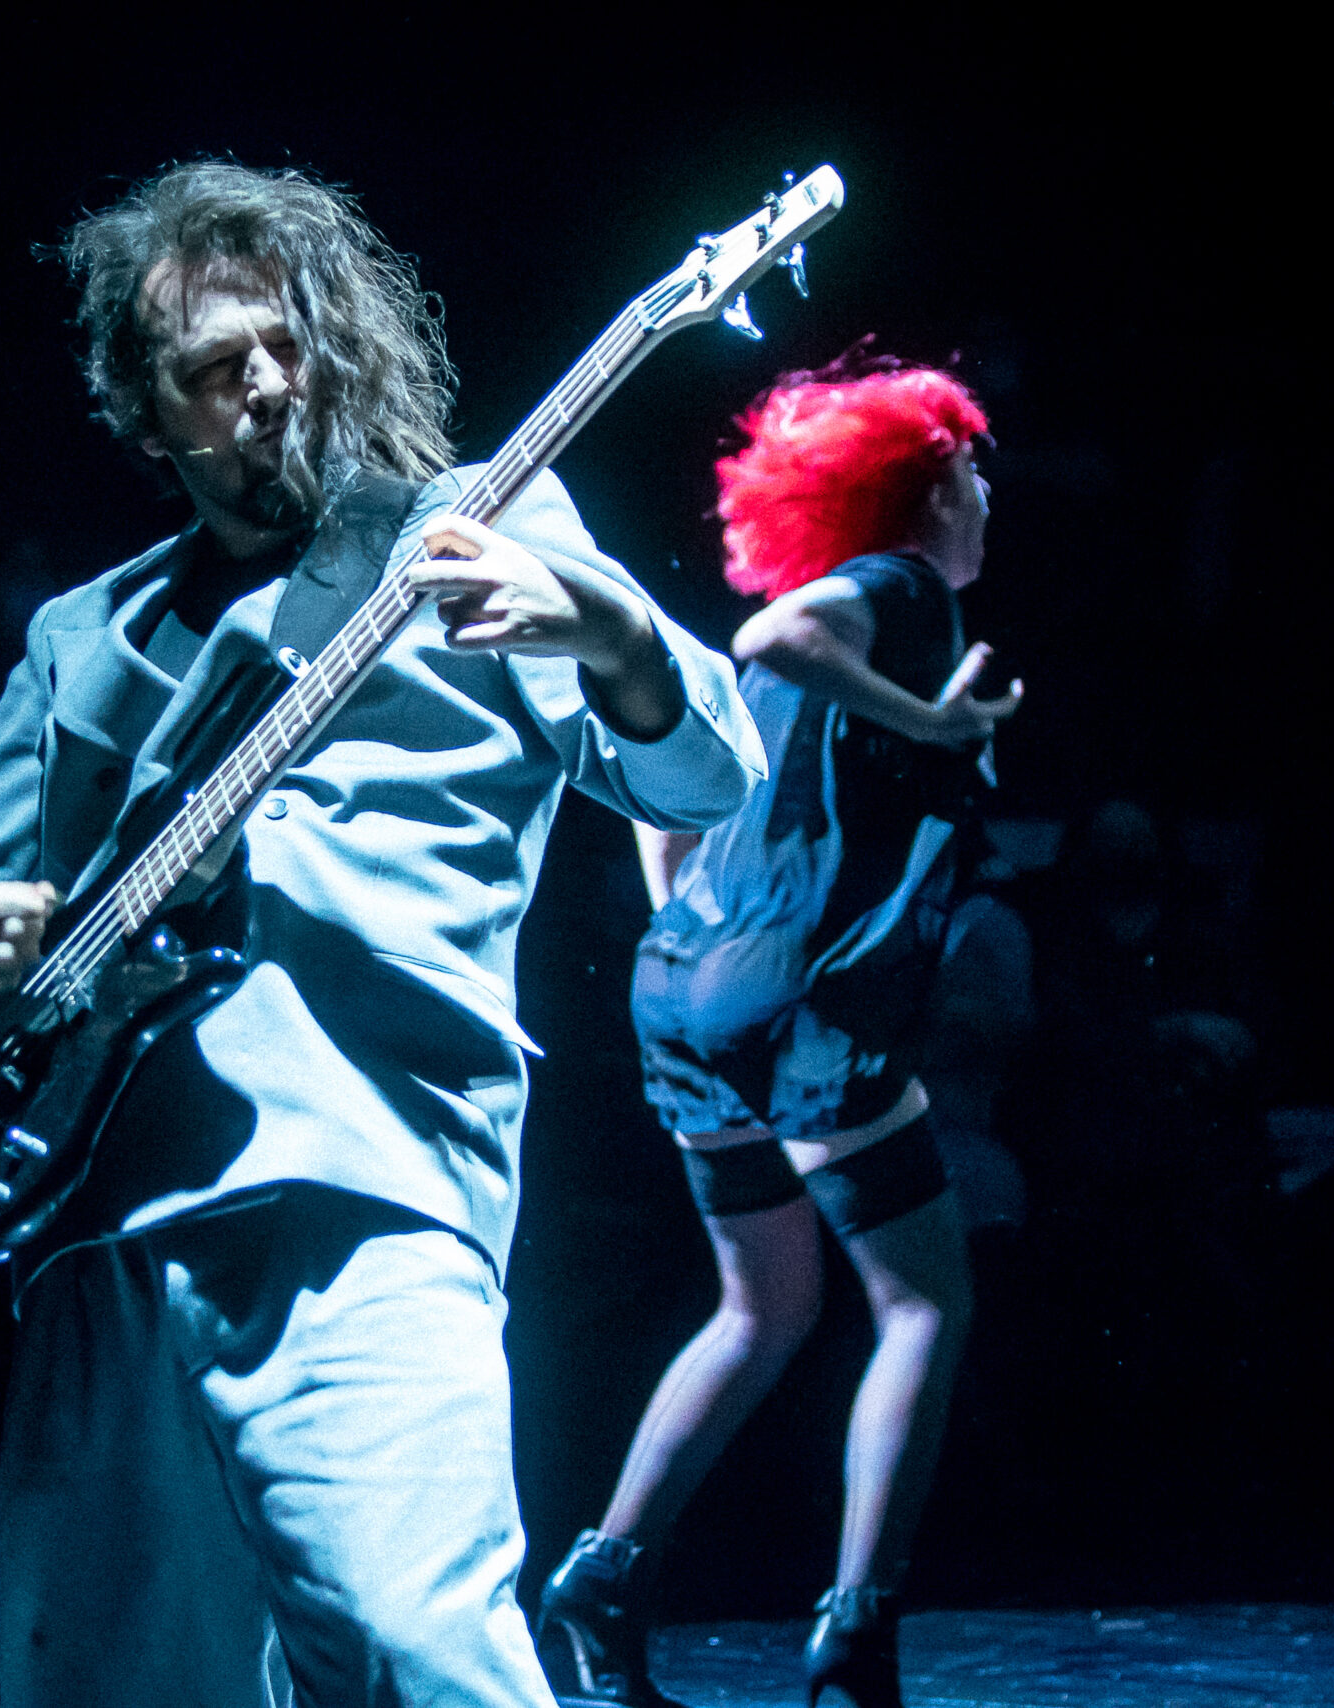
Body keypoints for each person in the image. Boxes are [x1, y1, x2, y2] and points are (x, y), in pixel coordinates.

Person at [0, 161, 762, 1708]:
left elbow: (708, 776)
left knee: (421, 1650)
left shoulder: (472, 532)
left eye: (289, 345)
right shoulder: (85, 635)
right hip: (90, 1218)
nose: (269, 386)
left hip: (365, 1177)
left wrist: (611, 631)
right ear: (146, 416)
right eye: (216, 368)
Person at [535, 356, 1020, 1708]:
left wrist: (702, 931)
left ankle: (602, 1572)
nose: (988, 494)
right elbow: (773, 638)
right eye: (972, 471)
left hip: (685, 987)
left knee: (766, 1306)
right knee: (923, 1300)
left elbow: (665, 798)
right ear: (927, 488)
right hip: (803, 1000)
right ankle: (855, 1636)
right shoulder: (896, 592)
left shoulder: (845, 639)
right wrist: (936, 723)